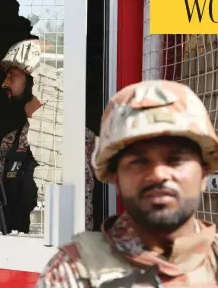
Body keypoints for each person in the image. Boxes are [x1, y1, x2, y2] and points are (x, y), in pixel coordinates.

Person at [36, 80, 218, 287]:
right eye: (139, 161)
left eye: (175, 159)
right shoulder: (73, 273)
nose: (158, 174)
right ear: (116, 179)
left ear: (204, 174)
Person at [0, 39, 42, 233]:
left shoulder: (70, 139)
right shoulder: (11, 141)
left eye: (12, 75)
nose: (4, 83)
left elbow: (82, 212)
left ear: (35, 77)